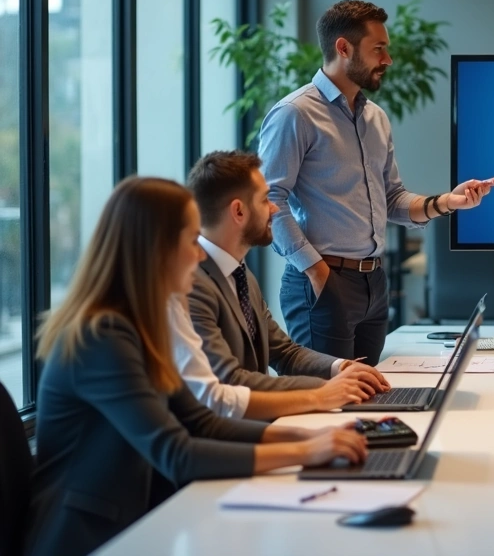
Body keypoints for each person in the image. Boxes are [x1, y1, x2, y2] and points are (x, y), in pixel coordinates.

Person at [27, 177, 368, 556]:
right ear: (155, 249)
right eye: (191, 240)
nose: (200, 254)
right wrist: (306, 452)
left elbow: (200, 422)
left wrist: (315, 439)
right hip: (90, 535)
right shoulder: (102, 336)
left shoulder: (142, 323)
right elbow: (177, 453)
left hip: (141, 517)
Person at [259, 0, 494, 363]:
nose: (387, 60)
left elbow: (392, 199)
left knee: (367, 400)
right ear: (343, 48)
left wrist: (448, 202)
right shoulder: (295, 114)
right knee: (328, 404)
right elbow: (269, 201)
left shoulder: (376, 118)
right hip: (323, 281)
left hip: (374, 283)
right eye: (379, 49)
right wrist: (316, 270)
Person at [178, 150, 392, 419]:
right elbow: (230, 380)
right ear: (239, 211)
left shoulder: (240, 273)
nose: (275, 207)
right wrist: (324, 391)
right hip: (226, 436)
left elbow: (284, 352)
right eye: (265, 199)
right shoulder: (191, 285)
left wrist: (341, 368)